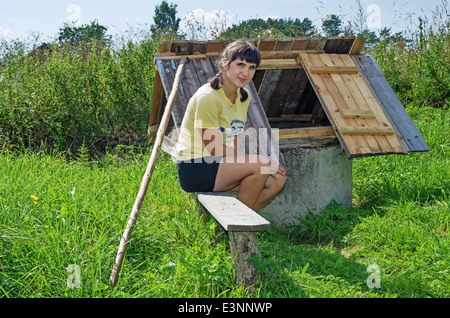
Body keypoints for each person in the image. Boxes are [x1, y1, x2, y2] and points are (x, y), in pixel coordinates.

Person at [176, 40, 286, 212]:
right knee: (261, 165)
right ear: (225, 64)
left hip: (218, 164)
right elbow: (215, 150)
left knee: (277, 179)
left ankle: (238, 223)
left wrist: (249, 163)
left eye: (251, 67)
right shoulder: (209, 97)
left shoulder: (244, 97)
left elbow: (233, 138)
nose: (245, 72)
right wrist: (255, 162)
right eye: (240, 64)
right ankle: (239, 224)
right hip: (194, 167)